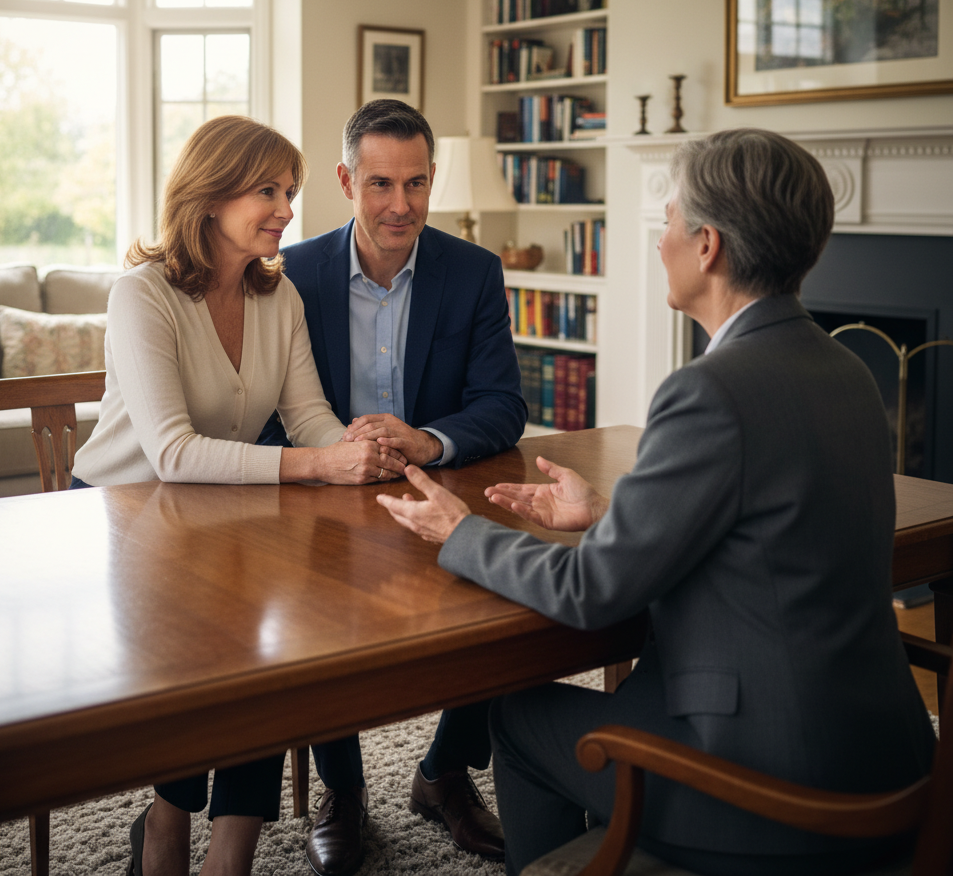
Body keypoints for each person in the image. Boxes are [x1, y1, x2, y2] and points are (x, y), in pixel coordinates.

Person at [378, 128, 937, 876]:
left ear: (706, 246)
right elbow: (769, 532)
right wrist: (611, 518)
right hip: (890, 761)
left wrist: (462, 529)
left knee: (516, 718)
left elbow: (590, 592)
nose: (660, 239)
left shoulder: (709, 390)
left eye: (668, 220)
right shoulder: (848, 369)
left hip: (774, 793)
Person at [71, 115, 406, 876]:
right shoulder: (141, 294)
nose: (286, 207)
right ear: (211, 191)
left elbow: (308, 417)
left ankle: (229, 860)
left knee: (265, 656)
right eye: (267, 190)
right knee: (205, 654)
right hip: (118, 517)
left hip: (220, 510)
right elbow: (172, 452)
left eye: (290, 190)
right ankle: (164, 825)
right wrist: (315, 469)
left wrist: (358, 449)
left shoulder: (275, 295)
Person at [257, 99, 527, 875]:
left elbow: (504, 404)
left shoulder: (472, 271)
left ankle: (443, 772)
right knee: (307, 623)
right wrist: (329, 459)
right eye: (379, 184)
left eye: (415, 184)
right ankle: (343, 790)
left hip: (429, 488)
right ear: (346, 180)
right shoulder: (291, 273)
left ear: (433, 180)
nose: (399, 205)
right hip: (318, 495)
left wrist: (429, 438)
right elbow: (264, 410)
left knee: (504, 593)